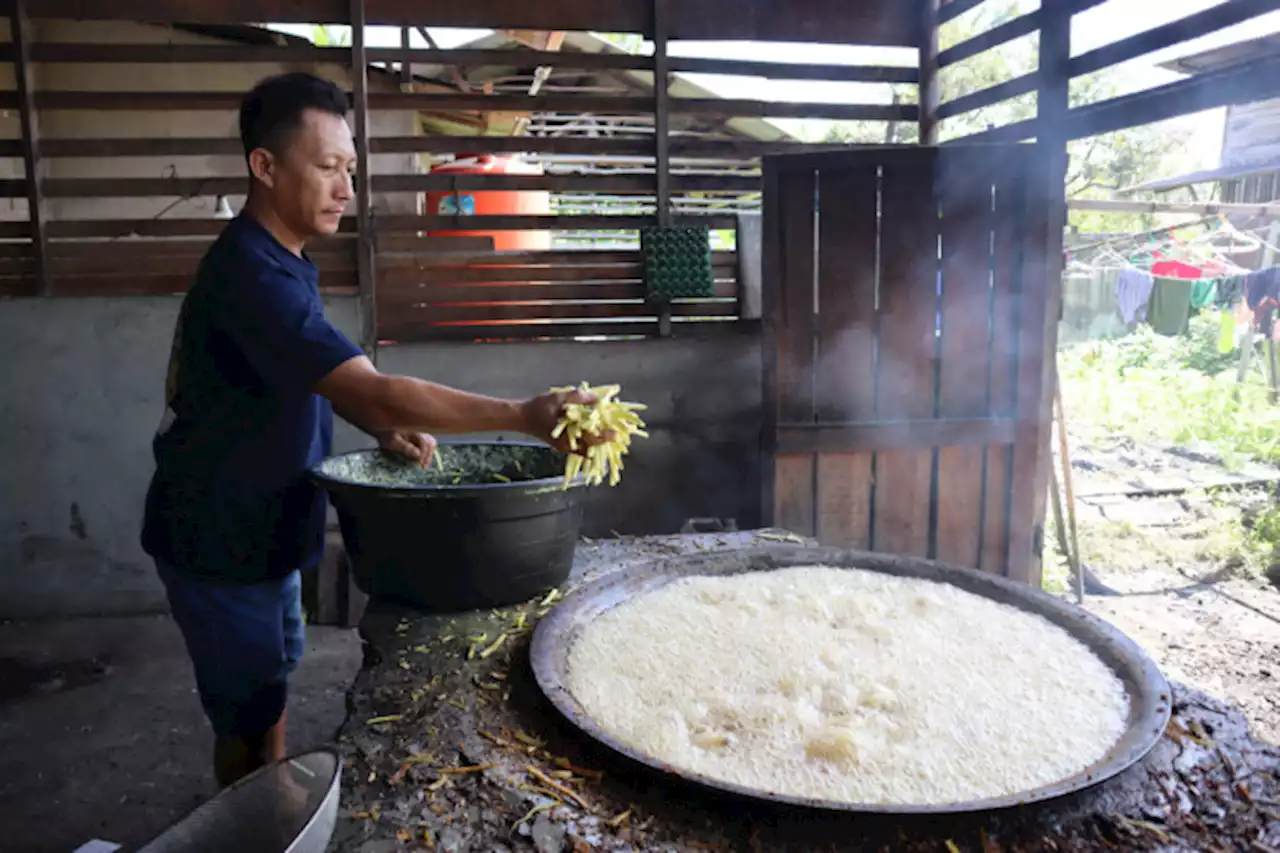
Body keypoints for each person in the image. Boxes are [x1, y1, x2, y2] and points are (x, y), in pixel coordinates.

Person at [141, 72, 604, 788]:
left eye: (349, 169)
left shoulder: (286, 259)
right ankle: (252, 819)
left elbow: (324, 379)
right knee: (245, 722)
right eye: (326, 167)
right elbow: (378, 390)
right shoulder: (250, 277)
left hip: (265, 529)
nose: (345, 187)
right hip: (219, 539)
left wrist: (374, 423)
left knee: (269, 693)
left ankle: (275, 802)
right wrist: (523, 415)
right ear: (264, 166)